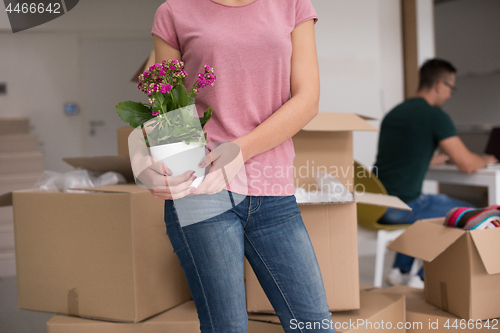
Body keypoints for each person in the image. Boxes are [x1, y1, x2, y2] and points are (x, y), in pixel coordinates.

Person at [145, 0, 336, 332]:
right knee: (227, 327)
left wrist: (239, 150)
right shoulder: (175, 10)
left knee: (314, 326)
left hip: (273, 188)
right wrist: (152, 161)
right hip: (202, 187)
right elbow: (167, 105)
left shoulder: (291, 4)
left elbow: (307, 99)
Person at [373, 58, 498, 289]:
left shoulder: (396, 113)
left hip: (376, 204)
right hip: (402, 206)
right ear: (440, 85)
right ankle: (420, 277)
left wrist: (448, 158)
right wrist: (486, 159)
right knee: (470, 214)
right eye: (451, 88)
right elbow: (468, 164)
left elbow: (415, 155)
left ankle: (399, 271)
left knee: (431, 206)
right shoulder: (434, 116)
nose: (450, 95)